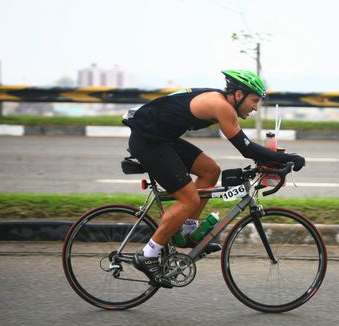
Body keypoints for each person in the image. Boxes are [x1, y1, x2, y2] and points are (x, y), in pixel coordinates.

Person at [123, 69, 305, 283]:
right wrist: (287, 158)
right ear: (239, 95)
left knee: (210, 171)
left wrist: (274, 159)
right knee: (189, 199)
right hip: (149, 142)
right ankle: (149, 254)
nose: (255, 107)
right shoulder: (221, 106)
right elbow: (246, 149)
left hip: (161, 138)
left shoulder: (219, 100)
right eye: (254, 100)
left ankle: (188, 233)